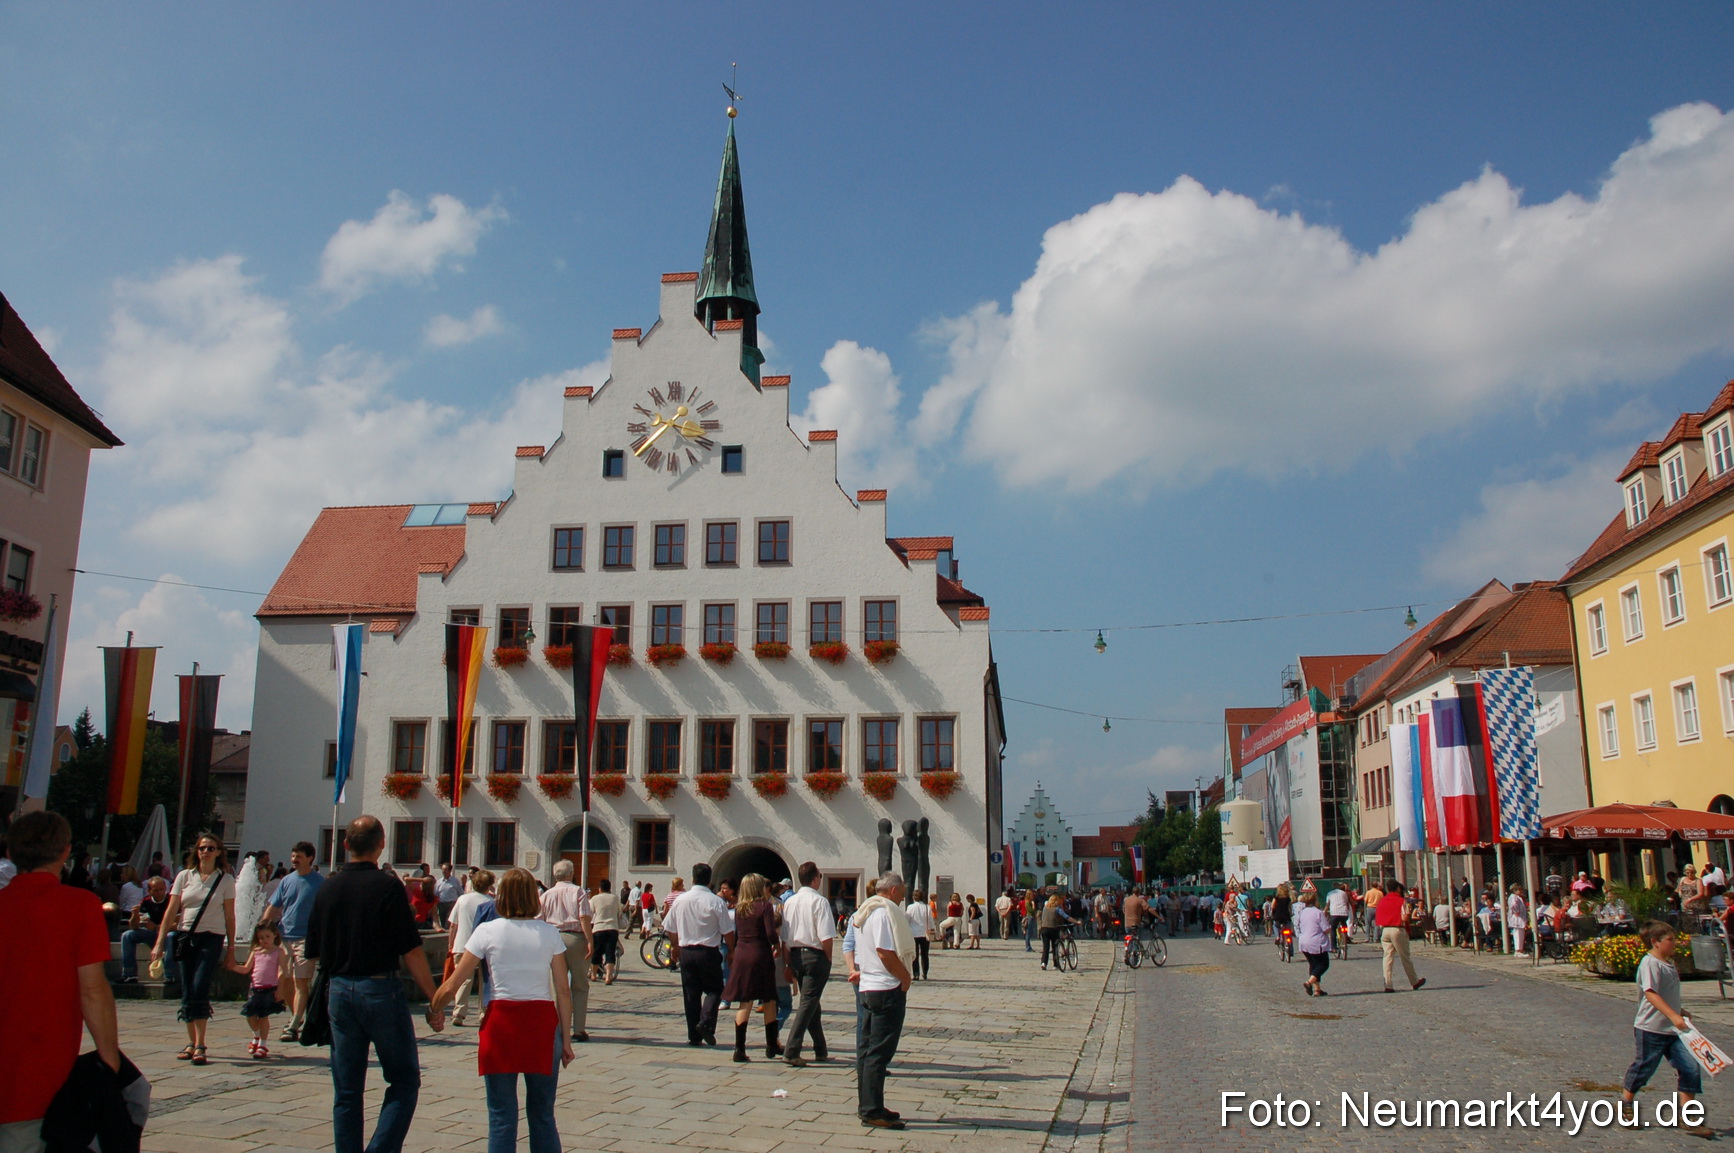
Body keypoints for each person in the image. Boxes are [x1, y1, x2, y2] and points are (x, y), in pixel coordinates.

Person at [306, 815, 442, 1153]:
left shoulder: (329, 887)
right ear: (382, 844)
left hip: (338, 989)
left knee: (347, 1091)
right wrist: (434, 998)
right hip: (379, 989)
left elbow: (312, 951)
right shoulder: (387, 886)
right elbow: (411, 949)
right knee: (404, 1078)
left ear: (346, 845)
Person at [0, 812, 120, 1153]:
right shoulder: (79, 906)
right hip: (38, 1073)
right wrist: (108, 1055)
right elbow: (92, 989)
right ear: (65, 852)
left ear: (10, 853)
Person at [429, 868, 573, 1153]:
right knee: (543, 1115)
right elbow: (563, 991)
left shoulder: (486, 932)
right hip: (541, 1024)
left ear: (502, 896)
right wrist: (565, 1039)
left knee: (501, 1117)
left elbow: (454, 982)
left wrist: (434, 1009)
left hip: (501, 1022)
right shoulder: (549, 933)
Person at [1619, 921, 1713, 1138]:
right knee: (1645, 1067)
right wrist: (1671, 1014)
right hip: (1651, 1028)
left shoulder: (1668, 964)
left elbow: (1666, 993)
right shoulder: (1650, 963)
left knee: (1690, 1067)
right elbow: (1651, 993)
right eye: (1670, 940)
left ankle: (1687, 1117)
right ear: (1655, 942)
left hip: (1674, 1030)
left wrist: (1679, 1011)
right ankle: (1626, 1103)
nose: (1674, 944)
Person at [151, 831, 237, 1065]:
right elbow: (171, 910)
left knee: (200, 985)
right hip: (185, 935)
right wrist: (159, 942)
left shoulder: (225, 879)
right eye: (202, 848)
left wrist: (231, 949)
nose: (206, 852)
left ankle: (201, 1043)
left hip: (212, 937)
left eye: (211, 848)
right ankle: (191, 1042)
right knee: (187, 986)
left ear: (219, 852)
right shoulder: (184, 876)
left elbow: (230, 915)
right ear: (196, 852)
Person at [853, 871, 915, 1130]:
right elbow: (885, 952)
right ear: (892, 890)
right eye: (901, 892)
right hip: (884, 988)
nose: (902, 897)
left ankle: (870, 1104)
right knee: (878, 1053)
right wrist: (905, 978)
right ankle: (871, 1110)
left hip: (869, 986)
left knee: (869, 1052)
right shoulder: (881, 914)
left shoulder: (865, 912)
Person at [665, 862, 733, 1047]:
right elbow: (728, 931)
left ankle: (693, 1036)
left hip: (686, 951)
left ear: (693, 878)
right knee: (715, 989)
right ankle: (705, 1022)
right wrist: (732, 951)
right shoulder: (716, 901)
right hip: (709, 951)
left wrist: (675, 946)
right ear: (709, 879)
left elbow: (670, 927)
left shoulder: (681, 900)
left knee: (691, 994)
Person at [264, 840, 324, 1042]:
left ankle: (295, 1021)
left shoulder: (319, 883)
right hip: (284, 937)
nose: (294, 860)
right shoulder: (286, 881)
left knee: (301, 981)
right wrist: (263, 926)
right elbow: (274, 906)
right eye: (293, 856)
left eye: (298, 856)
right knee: (286, 979)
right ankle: (295, 1017)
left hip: (306, 938)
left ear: (309, 858)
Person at [721, 874, 785, 1062]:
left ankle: (739, 1048)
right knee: (769, 998)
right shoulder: (764, 906)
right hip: (760, 954)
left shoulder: (740, 908)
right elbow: (770, 931)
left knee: (745, 1000)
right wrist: (777, 944)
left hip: (742, 954)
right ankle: (771, 1043)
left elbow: (739, 932)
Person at [782, 860, 835, 1067]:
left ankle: (820, 1048)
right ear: (815, 879)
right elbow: (826, 935)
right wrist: (829, 957)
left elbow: (785, 937)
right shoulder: (819, 901)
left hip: (795, 955)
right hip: (815, 955)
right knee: (808, 1003)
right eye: (820, 876)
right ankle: (792, 1049)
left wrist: (787, 963)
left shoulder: (790, 902)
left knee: (811, 1001)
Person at [537, 860, 594, 1043]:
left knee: (557, 986)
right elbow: (584, 917)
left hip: (552, 938)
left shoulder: (546, 894)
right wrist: (590, 940)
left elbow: (539, 919)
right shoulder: (578, 891)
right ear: (571, 874)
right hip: (575, 938)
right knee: (579, 985)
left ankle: (558, 1027)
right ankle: (579, 1029)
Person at [229, 921, 289, 1058]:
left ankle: (263, 1044)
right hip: (256, 988)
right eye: (261, 937)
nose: (264, 940)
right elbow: (246, 969)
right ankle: (256, 1035)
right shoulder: (256, 951)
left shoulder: (279, 951)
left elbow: (282, 972)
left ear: (274, 935)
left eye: (267, 936)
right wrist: (232, 967)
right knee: (249, 1014)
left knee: (263, 1016)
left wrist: (280, 989)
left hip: (270, 988)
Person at [447, 869, 496, 1026]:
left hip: (462, 943)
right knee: (486, 980)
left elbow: (453, 925)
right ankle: (484, 1012)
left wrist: (451, 943)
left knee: (463, 979)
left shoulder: (462, 899)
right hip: (485, 946)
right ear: (489, 885)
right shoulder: (490, 902)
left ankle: (459, 1012)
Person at [118, 875, 175, 984]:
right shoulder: (146, 901)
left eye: (161, 890)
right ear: (149, 891)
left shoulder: (171, 901)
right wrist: (135, 915)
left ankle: (169, 975)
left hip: (167, 933)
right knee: (127, 935)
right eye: (155, 890)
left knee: (171, 936)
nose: (159, 893)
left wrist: (157, 928)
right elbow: (135, 926)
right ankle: (129, 974)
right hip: (152, 934)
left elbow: (177, 924)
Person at [1375, 881, 1426, 993]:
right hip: (1397, 929)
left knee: (1387, 957)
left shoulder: (1383, 901)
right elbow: (1404, 918)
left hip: (1385, 930)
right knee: (1405, 957)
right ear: (1398, 889)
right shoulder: (1401, 901)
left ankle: (1388, 984)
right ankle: (1414, 981)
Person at [1294, 890, 1332, 996]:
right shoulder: (1318, 912)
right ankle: (1309, 982)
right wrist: (1330, 927)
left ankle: (1317, 990)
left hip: (1304, 941)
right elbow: (1326, 929)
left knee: (1313, 965)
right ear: (1315, 900)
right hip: (1316, 942)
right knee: (1323, 964)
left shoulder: (1303, 912)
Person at [587, 880, 620, 986]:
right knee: (610, 952)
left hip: (599, 928)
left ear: (599, 888)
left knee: (597, 952)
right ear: (609, 888)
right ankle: (608, 975)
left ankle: (593, 974)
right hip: (612, 928)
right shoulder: (615, 898)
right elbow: (619, 913)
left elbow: (590, 913)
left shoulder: (595, 898)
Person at [903, 889, 935, 979]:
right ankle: (925, 973)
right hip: (925, 933)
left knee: (915, 955)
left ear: (913, 897)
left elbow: (906, 919)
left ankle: (916, 973)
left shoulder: (910, 907)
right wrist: (932, 928)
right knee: (925, 954)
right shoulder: (927, 907)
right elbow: (930, 920)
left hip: (913, 933)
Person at [1039, 893, 1073, 972]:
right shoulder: (1057, 909)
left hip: (1044, 929)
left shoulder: (1045, 908)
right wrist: (1076, 922)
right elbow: (1066, 917)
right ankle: (1055, 964)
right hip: (1053, 929)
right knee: (1055, 947)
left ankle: (1043, 963)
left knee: (1046, 947)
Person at [435, 863, 463, 928]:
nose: (443, 871)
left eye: (445, 870)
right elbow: (435, 893)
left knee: (448, 922)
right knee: (442, 921)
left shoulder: (455, 881)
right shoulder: (439, 882)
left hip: (451, 904)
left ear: (450, 871)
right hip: (441, 904)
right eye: (442, 870)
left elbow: (461, 893)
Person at [1507, 885, 1530, 953]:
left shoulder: (1517, 897)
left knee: (1520, 934)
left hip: (1520, 918)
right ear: (1515, 891)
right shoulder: (1514, 897)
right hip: (1517, 918)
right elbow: (1513, 905)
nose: (1521, 892)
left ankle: (1520, 949)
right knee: (1518, 935)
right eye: (1520, 890)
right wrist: (1516, 911)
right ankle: (1518, 950)